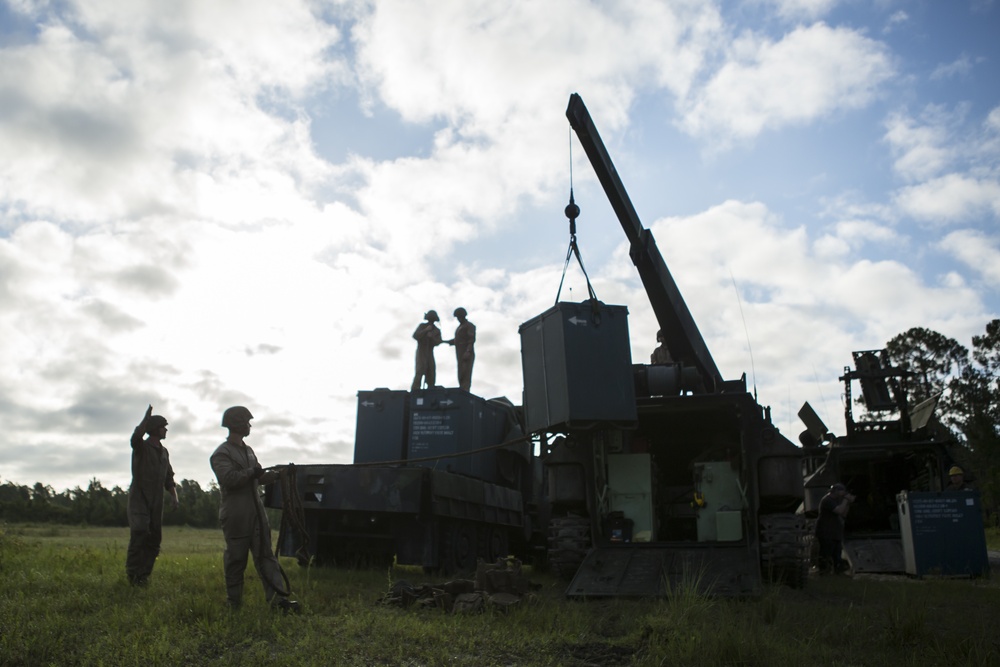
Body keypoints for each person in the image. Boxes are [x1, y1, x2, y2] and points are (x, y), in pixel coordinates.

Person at [210, 406, 300, 613]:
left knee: (266, 557)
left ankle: (277, 602)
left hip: (257, 514)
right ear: (238, 423)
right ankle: (234, 605)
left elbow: (259, 476)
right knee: (236, 559)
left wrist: (279, 474)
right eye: (247, 422)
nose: (250, 426)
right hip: (236, 515)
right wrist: (252, 472)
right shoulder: (221, 454)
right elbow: (229, 479)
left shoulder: (248, 450)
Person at [126, 405, 179, 586]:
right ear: (155, 428)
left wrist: (174, 495)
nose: (166, 430)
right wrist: (144, 421)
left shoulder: (164, 452)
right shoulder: (141, 447)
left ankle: (143, 576)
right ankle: (132, 575)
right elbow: (135, 438)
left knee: (154, 539)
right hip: (139, 497)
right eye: (163, 427)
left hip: (157, 501)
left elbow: (169, 476)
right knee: (140, 531)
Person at [814, 482, 855, 575]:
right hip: (826, 532)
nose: (844, 493)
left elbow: (843, 513)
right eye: (842, 491)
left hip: (834, 532)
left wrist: (847, 503)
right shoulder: (827, 500)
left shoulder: (836, 500)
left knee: (837, 554)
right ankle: (824, 571)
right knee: (826, 553)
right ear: (836, 491)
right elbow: (839, 510)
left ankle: (838, 571)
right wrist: (846, 499)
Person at [446, 307, 476, 391]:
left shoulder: (469, 325)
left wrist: (468, 351)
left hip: (466, 352)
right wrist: (446, 341)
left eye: (459, 317)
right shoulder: (460, 327)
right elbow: (458, 339)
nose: (458, 319)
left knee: (466, 373)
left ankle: (465, 391)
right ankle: (462, 389)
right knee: (461, 374)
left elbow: (471, 339)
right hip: (459, 352)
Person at [411, 310, 442, 391]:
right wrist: (425, 331)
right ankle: (415, 390)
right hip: (421, 351)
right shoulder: (422, 326)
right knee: (419, 371)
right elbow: (415, 336)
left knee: (431, 372)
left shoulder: (436, 330)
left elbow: (438, 341)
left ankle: (430, 390)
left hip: (430, 352)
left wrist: (432, 337)